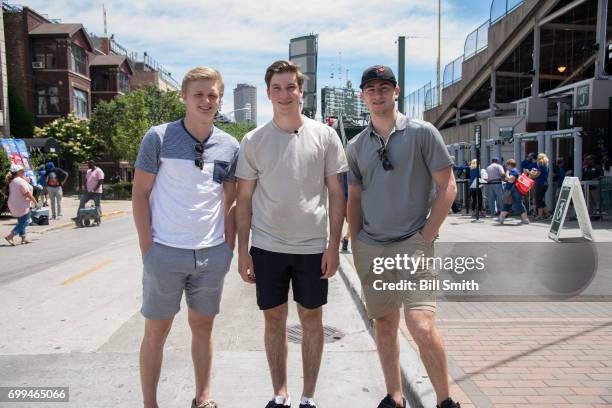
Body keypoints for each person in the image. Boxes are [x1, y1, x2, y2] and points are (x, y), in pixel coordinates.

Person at [346, 65, 460, 408]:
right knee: (384, 324)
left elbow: (448, 186)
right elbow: (354, 197)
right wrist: (356, 241)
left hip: (413, 243)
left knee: (421, 326)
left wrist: (427, 234)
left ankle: (445, 401)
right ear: (362, 96)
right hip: (372, 245)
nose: (378, 94)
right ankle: (394, 397)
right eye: (371, 89)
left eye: (384, 88)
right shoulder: (355, 146)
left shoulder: (423, 133)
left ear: (396, 92)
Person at [236, 60, 347, 408]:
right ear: (268, 93)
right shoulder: (254, 140)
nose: (284, 94)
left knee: (312, 319)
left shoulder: (325, 136)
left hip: (313, 247)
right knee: (274, 319)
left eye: (291, 87)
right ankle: (279, 393)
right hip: (267, 246)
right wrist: (244, 251)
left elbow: (337, 193)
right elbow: (243, 199)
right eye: (277, 88)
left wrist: (334, 245)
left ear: (301, 90)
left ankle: (308, 396)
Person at [132, 66, 239, 408]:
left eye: (213, 95)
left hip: (211, 255)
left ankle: (203, 398)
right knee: (156, 332)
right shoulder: (158, 138)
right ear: (184, 97)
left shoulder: (229, 145)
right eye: (199, 94)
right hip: (165, 252)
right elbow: (139, 195)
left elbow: (231, 199)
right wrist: (148, 249)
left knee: (203, 328)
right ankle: (150, 403)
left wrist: (228, 248)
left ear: (219, 99)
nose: (206, 101)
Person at [4, 164, 39, 245]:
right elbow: (28, 194)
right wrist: (35, 202)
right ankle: (10, 236)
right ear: (18, 172)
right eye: (22, 170)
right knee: (26, 221)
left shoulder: (13, 180)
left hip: (15, 204)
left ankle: (23, 239)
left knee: (21, 221)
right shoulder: (20, 181)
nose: (24, 171)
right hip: (21, 205)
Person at [498, 159, 529, 225]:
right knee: (509, 204)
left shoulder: (513, 171)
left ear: (509, 165)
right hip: (513, 190)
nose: (506, 166)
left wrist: (506, 173)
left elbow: (510, 180)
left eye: (507, 165)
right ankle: (501, 218)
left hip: (513, 190)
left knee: (517, 204)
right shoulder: (514, 171)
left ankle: (525, 219)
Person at [531, 153, 550, 219]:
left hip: (540, 184)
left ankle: (540, 215)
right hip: (544, 184)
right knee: (540, 200)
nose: (537, 160)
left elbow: (536, 175)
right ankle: (547, 214)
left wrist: (529, 173)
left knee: (538, 200)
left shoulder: (541, 165)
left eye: (538, 159)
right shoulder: (545, 166)